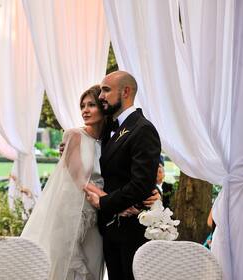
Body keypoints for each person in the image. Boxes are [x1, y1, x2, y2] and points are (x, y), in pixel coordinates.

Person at [22, 85, 159, 280]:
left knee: (93, 265)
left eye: (91, 105)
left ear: (103, 108)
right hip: (73, 211)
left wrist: (146, 194)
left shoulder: (110, 140)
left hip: (99, 216)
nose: (85, 110)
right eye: (82, 106)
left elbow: (124, 172)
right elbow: (81, 180)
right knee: (66, 264)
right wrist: (114, 204)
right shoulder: (73, 136)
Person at [85, 71, 161, 280]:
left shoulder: (142, 129)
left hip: (132, 231)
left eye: (106, 90)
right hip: (110, 229)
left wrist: (105, 202)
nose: (101, 96)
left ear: (126, 92)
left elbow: (141, 183)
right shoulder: (110, 126)